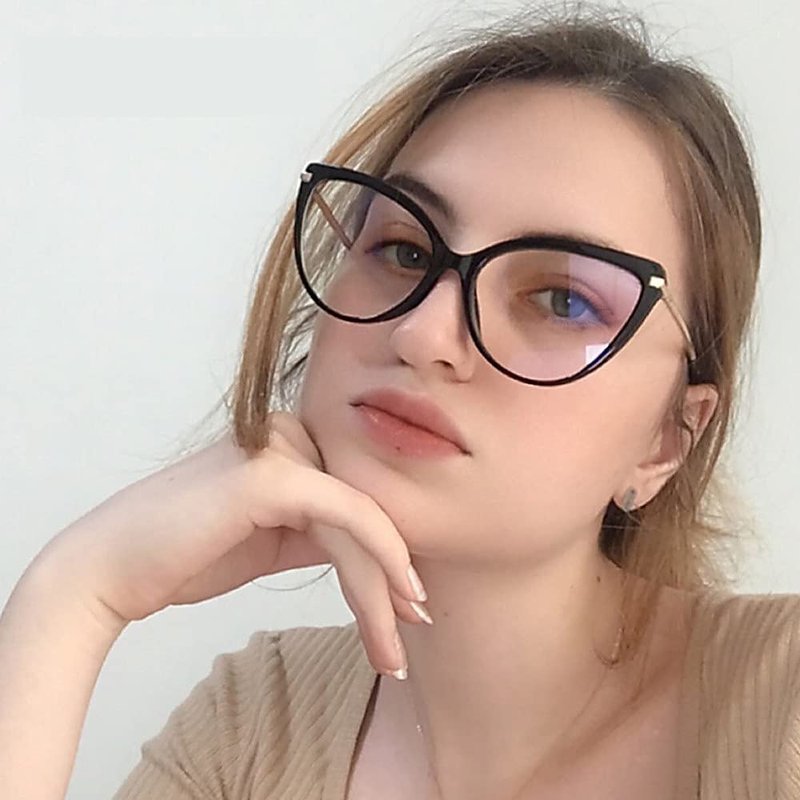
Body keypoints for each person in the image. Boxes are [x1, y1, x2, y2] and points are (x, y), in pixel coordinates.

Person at [2, 3, 798, 799]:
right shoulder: (252, 726)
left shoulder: (781, 707)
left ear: (667, 438)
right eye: (405, 250)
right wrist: (76, 595)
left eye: (561, 300)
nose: (423, 333)